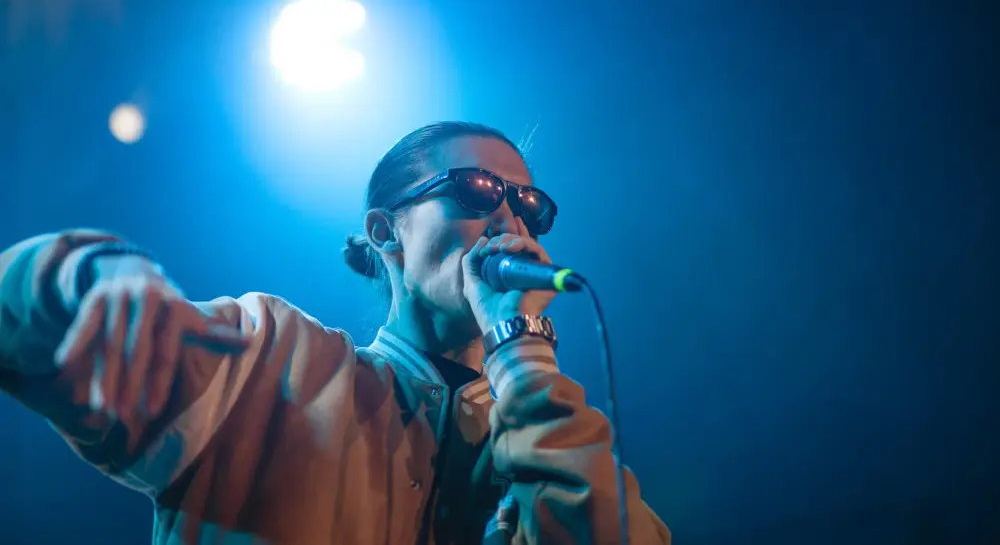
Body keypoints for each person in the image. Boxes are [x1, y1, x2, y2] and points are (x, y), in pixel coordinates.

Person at [0, 121, 669, 544]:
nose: (509, 222)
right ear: (385, 232)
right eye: (475, 190)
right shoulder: (272, 363)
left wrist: (522, 352)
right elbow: (22, 315)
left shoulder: (539, 435)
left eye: (529, 206)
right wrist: (93, 270)